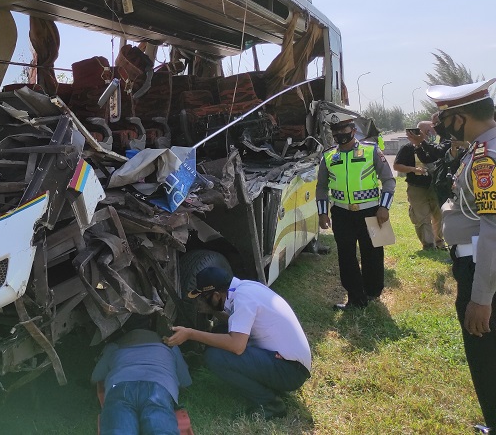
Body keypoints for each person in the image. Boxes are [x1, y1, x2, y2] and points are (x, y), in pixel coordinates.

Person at [427, 79, 496, 430]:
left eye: (445, 118)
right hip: (479, 263)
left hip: (481, 269)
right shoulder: (480, 149)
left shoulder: (487, 159)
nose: (440, 126)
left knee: (487, 360)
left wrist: (481, 298)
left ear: (461, 118)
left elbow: (493, 230)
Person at [165, 267, 311, 419]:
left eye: (204, 297)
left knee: (215, 357)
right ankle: (268, 386)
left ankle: (269, 403)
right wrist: (213, 311)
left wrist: (190, 334)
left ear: (216, 294)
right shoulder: (245, 288)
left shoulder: (243, 298)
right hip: (290, 364)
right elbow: (239, 325)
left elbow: (237, 346)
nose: (201, 301)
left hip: (291, 371)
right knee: (221, 331)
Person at [316, 112, 396, 309]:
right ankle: (355, 297)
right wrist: (322, 212)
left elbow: (388, 181)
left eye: (343, 129)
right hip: (342, 214)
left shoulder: (371, 151)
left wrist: (384, 207)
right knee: (346, 255)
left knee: (373, 253)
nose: (339, 134)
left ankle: (372, 292)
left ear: (353, 130)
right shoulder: (328, 156)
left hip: (371, 211)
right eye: (335, 131)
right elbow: (321, 187)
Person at [91, 328, 191, 435]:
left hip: (120, 385)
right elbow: (185, 380)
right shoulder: (171, 345)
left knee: (118, 429)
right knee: (161, 428)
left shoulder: (113, 346)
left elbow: (96, 377)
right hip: (159, 386)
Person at [394, 131, 445, 250]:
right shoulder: (407, 148)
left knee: (439, 214)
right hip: (416, 186)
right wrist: (413, 169)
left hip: (435, 186)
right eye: (423, 131)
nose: (427, 134)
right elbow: (397, 166)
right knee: (421, 216)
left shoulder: (435, 147)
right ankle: (428, 244)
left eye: (428, 131)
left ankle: (439, 241)